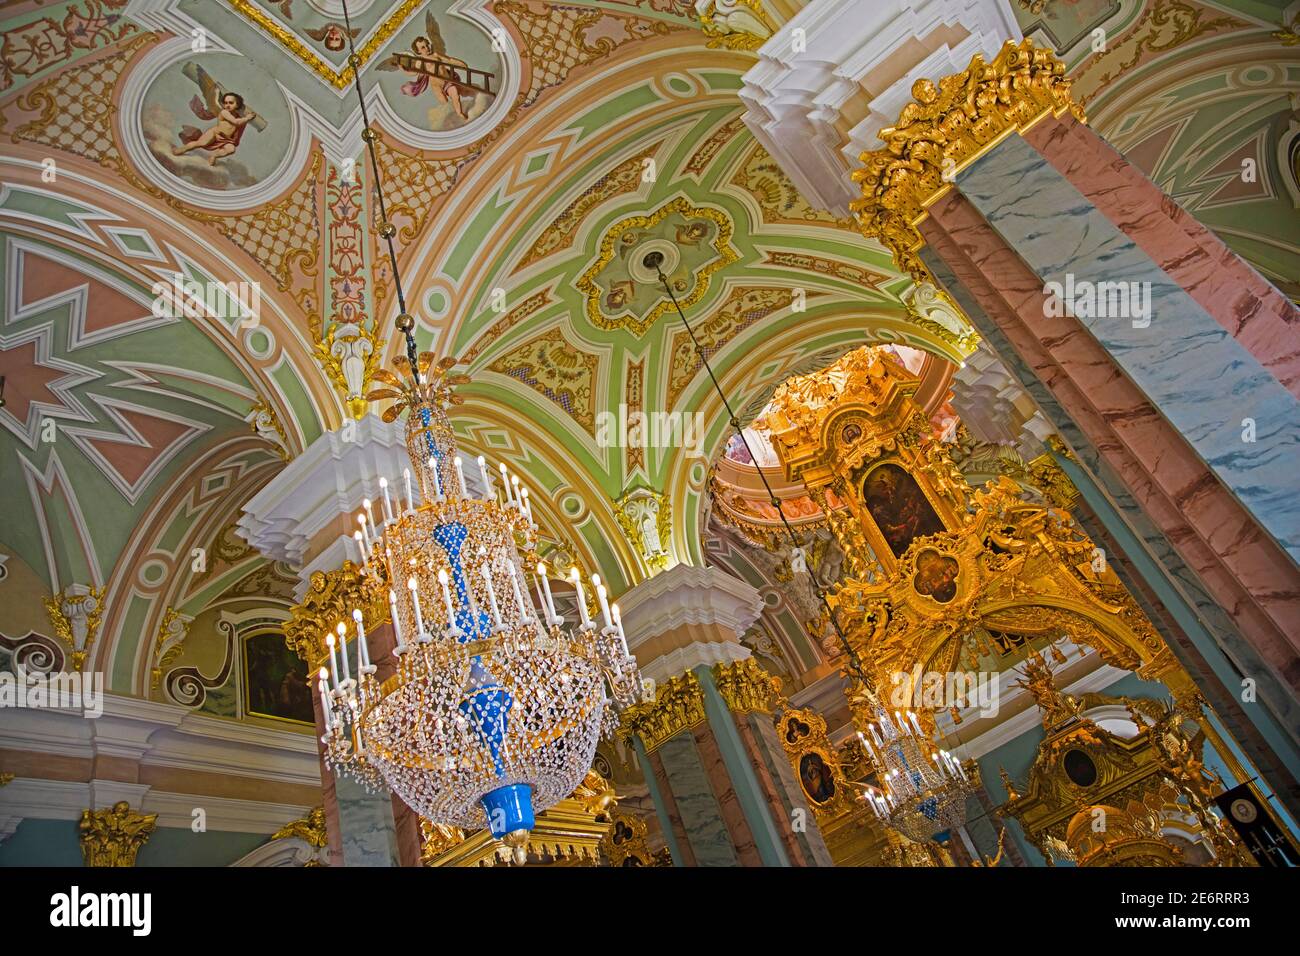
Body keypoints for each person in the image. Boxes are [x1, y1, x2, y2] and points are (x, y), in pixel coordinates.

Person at [172, 92, 259, 166]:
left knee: (231, 149)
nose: (227, 105)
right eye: (225, 103)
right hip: (215, 133)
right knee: (200, 143)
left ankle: (214, 155)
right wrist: (247, 118)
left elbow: (239, 123)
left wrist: (246, 118)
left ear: (237, 104)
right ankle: (182, 149)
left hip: (226, 139)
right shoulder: (224, 112)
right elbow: (236, 122)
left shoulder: (239, 116)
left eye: (231, 103)